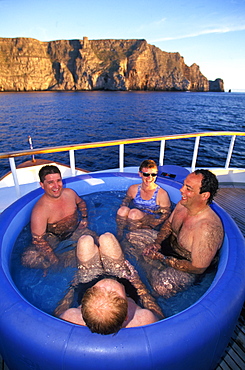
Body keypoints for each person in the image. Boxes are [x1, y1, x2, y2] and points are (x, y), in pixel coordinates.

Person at [56, 232, 163, 334]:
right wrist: (138, 283)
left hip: (88, 282)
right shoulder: (143, 318)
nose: (107, 282)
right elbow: (161, 318)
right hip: (125, 279)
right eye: (116, 291)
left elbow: (54, 319)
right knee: (107, 238)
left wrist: (74, 285)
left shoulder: (71, 317)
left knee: (85, 241)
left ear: (83, 310)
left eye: (97, 290)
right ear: (126, 315)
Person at [141, 169, 224, 297]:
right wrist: (157, 243)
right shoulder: (182, 204)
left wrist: (164, 259)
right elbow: (168, 224)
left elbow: (198, 267)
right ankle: (150, 270)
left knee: (161, 287)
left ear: (204, 195)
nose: (181, 190)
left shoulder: (207, 228)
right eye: (183, 184)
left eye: (188, 188)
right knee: (132, 237)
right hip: (168, 247)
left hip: (186, 264)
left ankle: (145, 289)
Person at [21, 165, 95, 269]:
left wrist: (84, 218)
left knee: (99, 241)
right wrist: (54, 260)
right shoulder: (40, 211)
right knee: (28, 258)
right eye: (50, 182)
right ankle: (63, 260)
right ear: (42, 185)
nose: (56, 186)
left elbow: (81, 203)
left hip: (76, 231)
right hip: (53, 238)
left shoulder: (70, 193)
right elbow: (38, 240)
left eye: (58, 181)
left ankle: (72, 255)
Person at [116, 159, 171, 238]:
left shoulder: (161, 194)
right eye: (146, 174)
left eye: (153, 174)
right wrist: (124, 205)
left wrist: (152, 225)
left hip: (150, 220)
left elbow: (166, 214)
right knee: (123, 210)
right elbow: (126, 201)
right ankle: (120, 233)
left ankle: (130, 237)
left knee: (134, 213)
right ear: (140, 174)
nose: (150, 178)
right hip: (134, 216)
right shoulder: (133, 189)